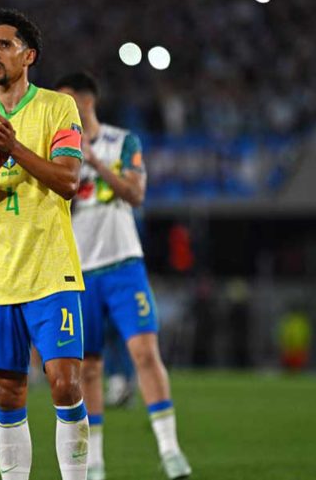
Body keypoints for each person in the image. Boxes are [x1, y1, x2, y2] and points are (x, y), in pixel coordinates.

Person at [0, 9, 89, 480]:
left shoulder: (58, 108)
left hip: (51, 271)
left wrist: (16, 151)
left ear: (29, 56)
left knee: (65, 384)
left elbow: (68, 180)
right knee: (8, 394)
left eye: (4, 45)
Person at [56, 71, 191, 480]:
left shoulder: (122, 142)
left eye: (66, 101)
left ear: (86, 101)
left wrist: (96, 163)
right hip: (80, 273)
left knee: (145, 353)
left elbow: (135, 194)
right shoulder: (58, 151)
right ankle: (95, 462)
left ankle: (170, 450)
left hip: (124, 265)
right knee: (88, 368)